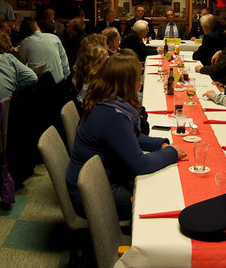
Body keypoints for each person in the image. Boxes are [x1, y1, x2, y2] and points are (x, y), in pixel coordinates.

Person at [65, 53, 183, 219]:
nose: (140, 83)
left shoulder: (105, 100)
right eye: (138, 79)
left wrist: (160, 144)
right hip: (95, 195)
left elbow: (130, 139)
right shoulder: (113, 116)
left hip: (99, 181)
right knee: (162, 199)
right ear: (127, 84)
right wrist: (172, 153)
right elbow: (141, 165)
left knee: (161, 182)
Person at [17, 17, 71, 84]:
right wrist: (66, 79)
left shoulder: (24, 43)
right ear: (36, 26)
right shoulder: (54, 38)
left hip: (39, 85)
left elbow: (21, 66)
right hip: (59, 81)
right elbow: (64, 61)